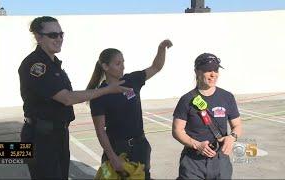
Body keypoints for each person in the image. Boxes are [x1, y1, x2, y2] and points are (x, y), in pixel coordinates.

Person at [18, 16, 130, 180]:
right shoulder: (36, 65)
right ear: (38, 36)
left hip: (58, 134)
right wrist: (107, 90)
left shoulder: (54, 64)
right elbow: (67, 98)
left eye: (61, 34)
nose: (59, 39)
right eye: (53, 35)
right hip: (40, 138)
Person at [87, 39, 173, 179]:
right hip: (118, 149)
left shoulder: (132, 80)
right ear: (105, 66)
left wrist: (161, 48)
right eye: (118, 63)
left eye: (123, 62)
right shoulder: (99, 95)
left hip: (140, 145)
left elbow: (156, 67)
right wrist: (112, 157)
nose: (123, 67)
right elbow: (100, 131)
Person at [172, 53, 242, 179]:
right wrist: (197, 145)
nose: (213, 74)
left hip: (220, 161)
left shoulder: (227, 97)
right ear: (197, 72)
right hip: (193, 162)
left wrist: (232, 138)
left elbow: (237, 125)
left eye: (215, 70)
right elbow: (177, 130)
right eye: (208, 70)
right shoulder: (186, 99)